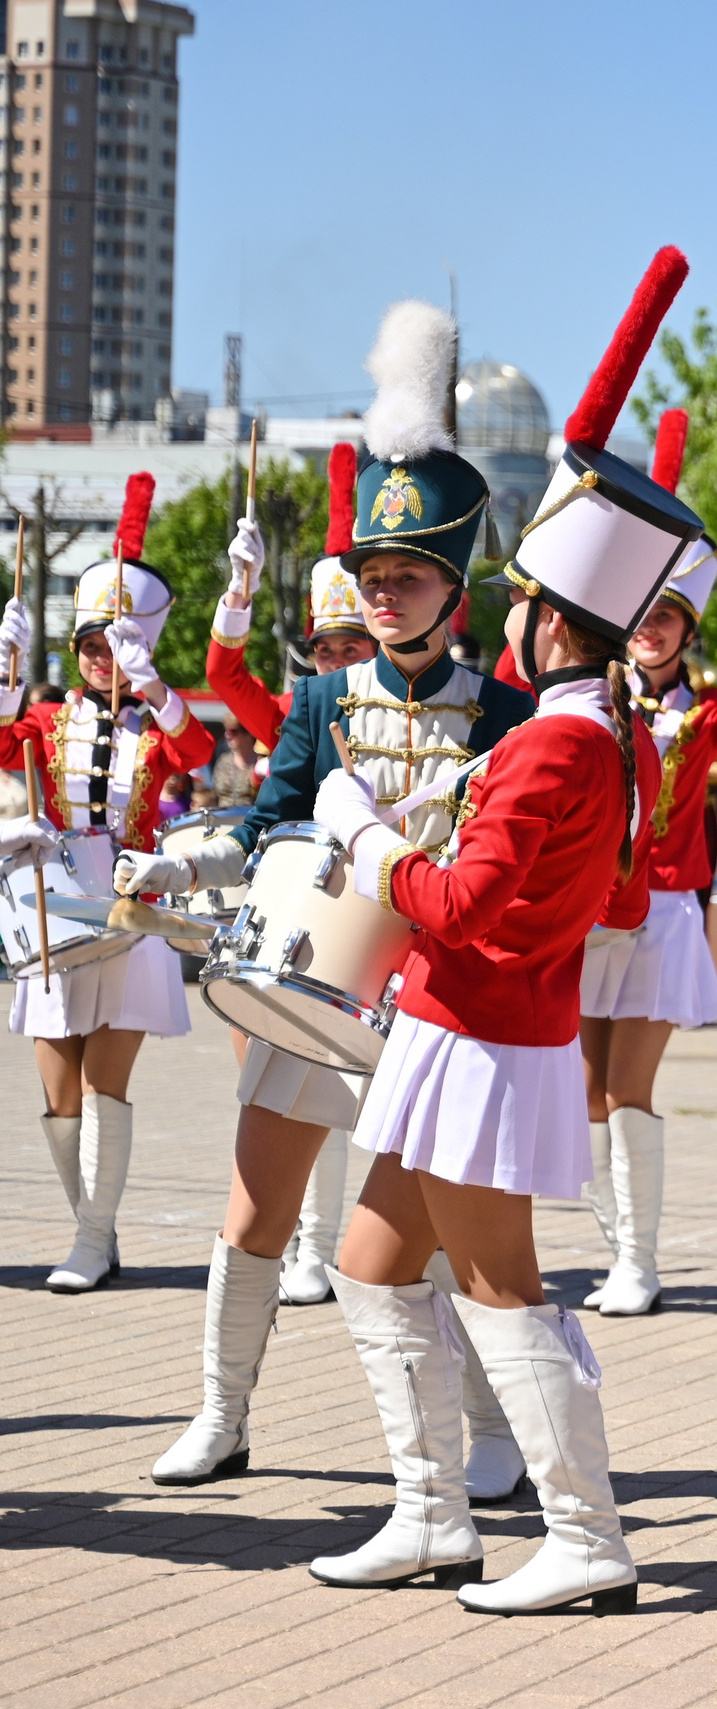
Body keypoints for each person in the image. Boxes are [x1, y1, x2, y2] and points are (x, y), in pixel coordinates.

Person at [295, 247, 689, 1615]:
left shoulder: (560, 747)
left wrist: (365, 837)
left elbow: (462, 905)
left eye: (524, 601)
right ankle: (433, 1515)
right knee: (368, 1264)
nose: (506, 618)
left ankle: (586, 1536)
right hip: (460, 1031)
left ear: (553, 622)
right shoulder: (583, 737)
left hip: (482, 1035)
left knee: (503, 1292)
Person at [133, 303, 541, 1492]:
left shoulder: (508, 715)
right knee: (256, 1212)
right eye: (372, 573)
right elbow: (267, 831)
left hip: (439, 999)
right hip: (320, 977)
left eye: (407, 575)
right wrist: (183, 864)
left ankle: (496, 1431)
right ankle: (222, 1414)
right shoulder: (318, 703)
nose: (383, 593)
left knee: (451, 1234)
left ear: (452, 588)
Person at [576, 409, 717, 1319]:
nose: (651, 632)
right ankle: (612, 1245)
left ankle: (642, 1261)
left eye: (667, 617)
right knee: (587, 1094)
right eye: (639, 616)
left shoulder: (701, 719)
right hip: (591, 913)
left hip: (663, 913)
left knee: (630, 1089)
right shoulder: (586, 701)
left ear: (688, 628)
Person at [0, 471, 216, 1292]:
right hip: (54, 904)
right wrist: (4, 665)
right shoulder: (47, 719)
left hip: (131, 905)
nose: (102, 660)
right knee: (57, 1093)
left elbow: (197, 756)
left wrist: (156, 688)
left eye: (117, 647)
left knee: (103, 1083)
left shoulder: (158, 723)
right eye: (92, 645)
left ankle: (90, 1241)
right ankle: (95, 1224)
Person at [199, 441, 382, 1308]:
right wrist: (239, 590)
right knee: (272, 1083)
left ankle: (318, 1241)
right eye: (326, 648)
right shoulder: (293, 711)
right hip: (284, 912)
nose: (340, 661)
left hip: (368, 923)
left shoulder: (402, 714)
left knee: (336, 1077)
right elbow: (223, 675)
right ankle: (295, 1239)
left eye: (356, 644)